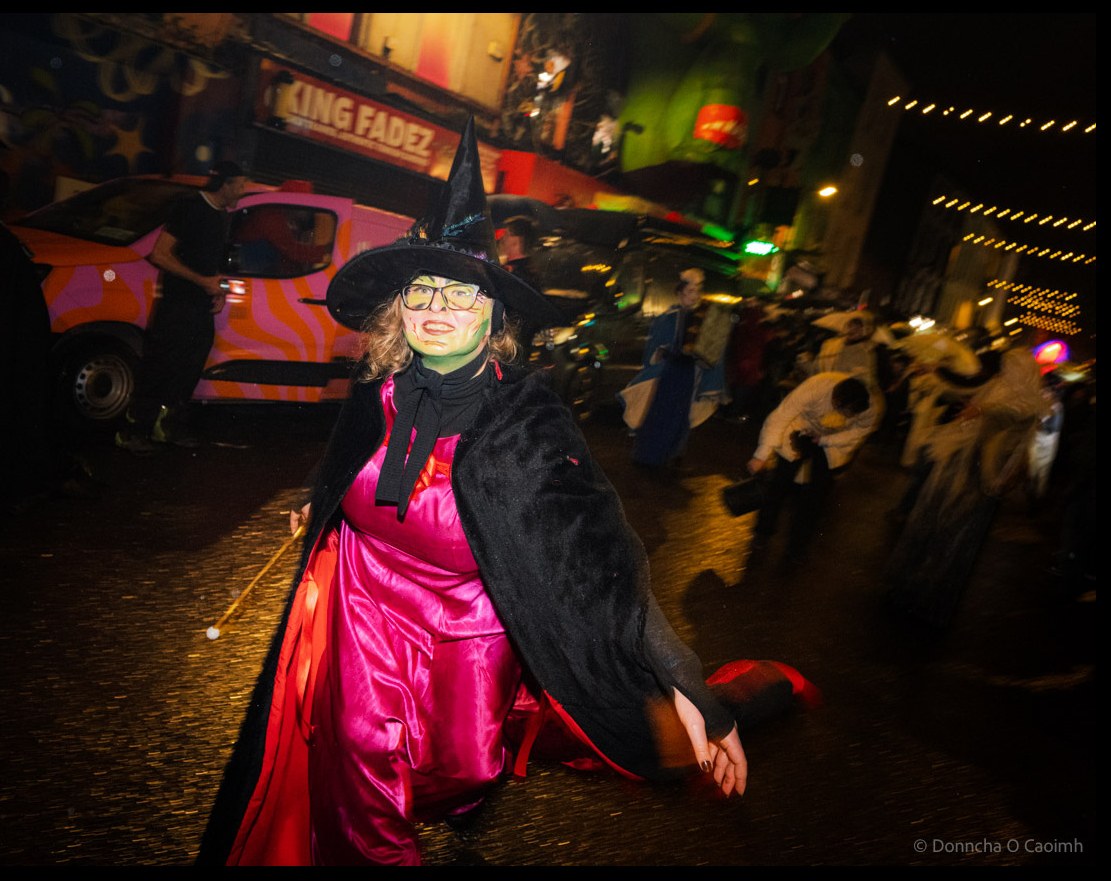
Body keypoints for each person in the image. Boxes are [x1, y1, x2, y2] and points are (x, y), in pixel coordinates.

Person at [198, 121, 762, 867]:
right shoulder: (377, 391)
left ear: (495, 317)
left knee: (467, 769)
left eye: (461, 293)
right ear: (400, 307)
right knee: (364, 765)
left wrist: (687, 684)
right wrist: (320, 498)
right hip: (365, 605)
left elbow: (603, 567)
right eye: (423, 289)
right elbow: (341, 460)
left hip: (478, 617)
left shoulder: (527, 422)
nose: (437, 304)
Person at [884, 348, 1045, 627]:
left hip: (982, 476)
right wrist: (935, 374)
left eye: (1012, 368)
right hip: (957, 464)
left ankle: (931, 600)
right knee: (932, 522)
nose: (1007, 373)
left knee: (955, 536)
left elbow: (1011, 414)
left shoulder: (1029, 402)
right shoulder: (998, 385)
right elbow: (965, 391)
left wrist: (981, 410)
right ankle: (907, 587)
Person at [116, 160, 247, 453]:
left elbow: (211, 267)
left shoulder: (221, 217)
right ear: (225, 184)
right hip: (176, 308)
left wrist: (219, 290)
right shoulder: (190, 207)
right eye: (239, 185)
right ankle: (132, 431)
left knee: (187, 371)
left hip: (200, 310)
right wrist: (202, 282)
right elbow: (160, 255)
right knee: (159, 368)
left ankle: (167, 429)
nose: (242, 190)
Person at [747, 373, 878, 562]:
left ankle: (798, 546)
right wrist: (761, 455)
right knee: (780, 482)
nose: (848, 416)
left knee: (816, 494)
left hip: (831, 442)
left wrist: (826, 440)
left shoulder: (868, 407)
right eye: (846, 411)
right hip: (799, 428)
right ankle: (763, 531)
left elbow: (859, 431)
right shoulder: (816, 387)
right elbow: (781, 417)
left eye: (852, 414)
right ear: (836, 400)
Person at [628, 267, 708, 468]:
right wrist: (664, 352)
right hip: (671, 371)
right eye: (690, 291)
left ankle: (673, 454)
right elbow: (656, 347)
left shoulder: (701, 318)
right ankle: (650, 456)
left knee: (681, 414)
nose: (694, 296)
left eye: (696, 291)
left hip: (688, 372)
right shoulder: (669, 316)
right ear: (680, 292)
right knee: (662, 412)